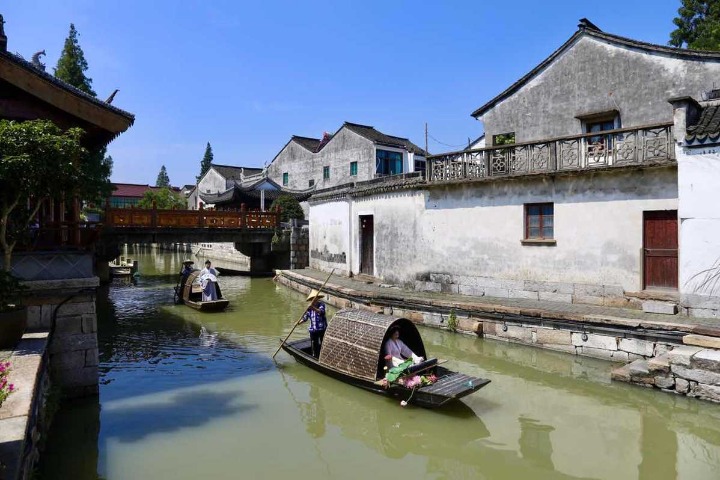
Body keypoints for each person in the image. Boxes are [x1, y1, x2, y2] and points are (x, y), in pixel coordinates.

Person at [299, 289, 327, 358]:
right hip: (313, 330)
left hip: (322, 329)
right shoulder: (309, 308)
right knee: (314, 344)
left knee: (323, 344)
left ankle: (323, 356)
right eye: (312, 299)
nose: (314, 300)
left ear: (318, 298)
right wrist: (298, 323)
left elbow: (321, 312)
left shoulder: (321, 304)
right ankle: (315, 356)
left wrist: (312, 308)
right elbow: (305, 318)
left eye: (315, 298)